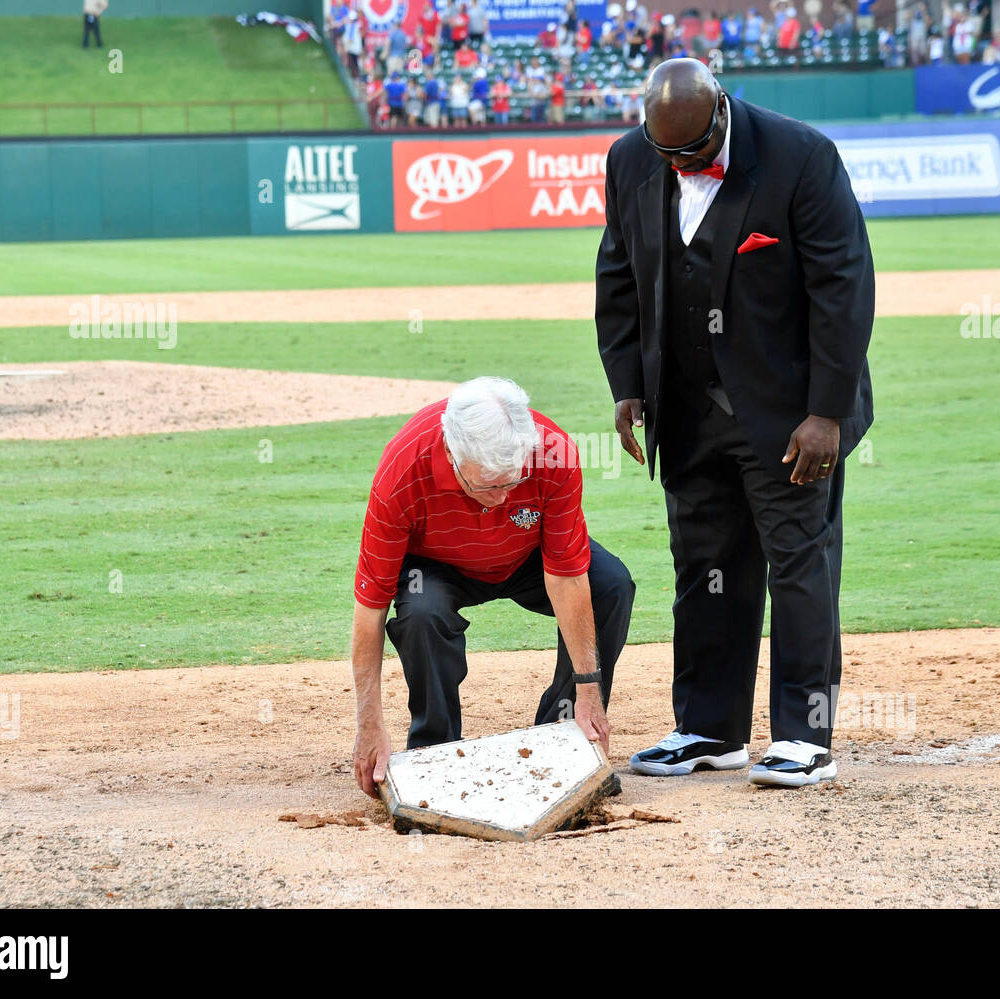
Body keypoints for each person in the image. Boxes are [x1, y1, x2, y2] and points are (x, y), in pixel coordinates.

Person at [594, 59, 874, 788]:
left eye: (693, 150)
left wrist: (826, 413)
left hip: (789, 414)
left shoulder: (800, 156)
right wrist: (627, 384)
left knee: (799, 564)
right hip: (686, 413)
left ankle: (803, 735)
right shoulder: (630, 160)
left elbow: (843, 286)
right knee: (705, 569)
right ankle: (710, 728)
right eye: (669, 155)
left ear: (722, 107)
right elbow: (618, 272)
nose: (681, 165)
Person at [350, 378, 635, 798]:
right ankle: (435, 752)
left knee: (610, 585)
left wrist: (589, 690)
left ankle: (564, 734)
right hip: (437, 566)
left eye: (512, 482)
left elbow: (567, 575)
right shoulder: (403, 470)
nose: (502, 499)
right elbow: (369, 609)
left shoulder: (552, 452)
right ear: (452, 453)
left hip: (527, 555)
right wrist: (368, 723)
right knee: (423, 613)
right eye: (486, 485)